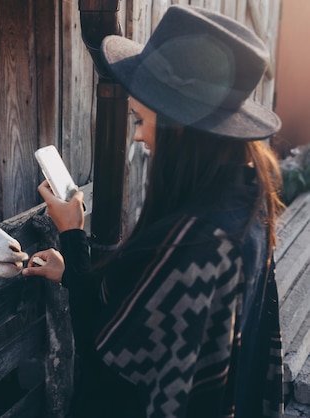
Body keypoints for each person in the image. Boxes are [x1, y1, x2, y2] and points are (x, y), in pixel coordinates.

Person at [23, 5, 285, 418]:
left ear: (180, 130)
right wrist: (73, 271)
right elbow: (149, 313)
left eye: (140, 119)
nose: (140, 135)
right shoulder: (246, 202)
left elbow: (107, 354)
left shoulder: (195, 242)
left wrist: (72, 235)